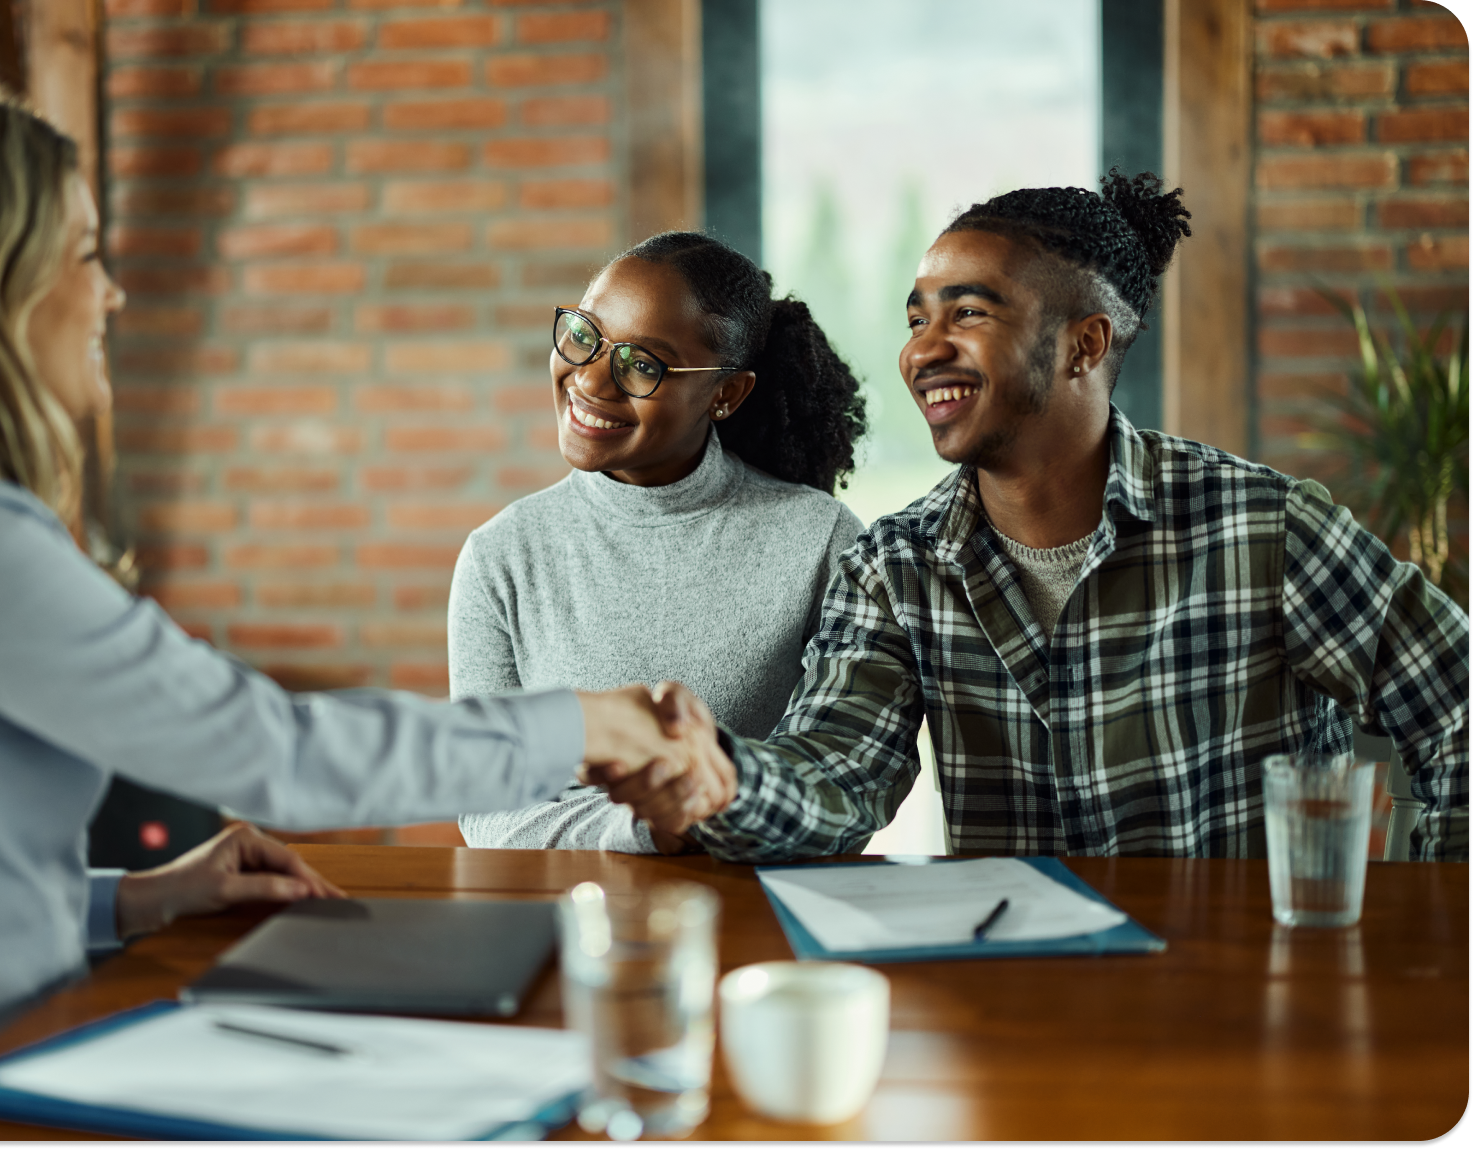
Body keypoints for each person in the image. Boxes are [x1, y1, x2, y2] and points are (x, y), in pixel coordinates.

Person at [0, 87, 701, 1140]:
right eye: (83, 253)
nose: (110, 295)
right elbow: (275, 752)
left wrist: (131, 900)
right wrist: (583, 726)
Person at [593, 170, 1469, 863]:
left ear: (1083, 344)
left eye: (968, 311)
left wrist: (1427, 924)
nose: (922, 348)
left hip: (1241, 1013)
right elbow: (837, 773)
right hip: (1022, 1021)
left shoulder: (1265, 530)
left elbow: (1455, 704)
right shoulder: (898, 566)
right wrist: (722, 782)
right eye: (916, 317)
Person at [449, 232, 867, 853]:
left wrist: (705, 804)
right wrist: (650, 827)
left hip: (755, 914)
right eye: (585, 335)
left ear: (726, 393)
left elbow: (843, 790)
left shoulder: (821, 540)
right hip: (567, 918)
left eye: (642, 363)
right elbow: (486, 809)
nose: (590, 381)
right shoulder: (502, 557)